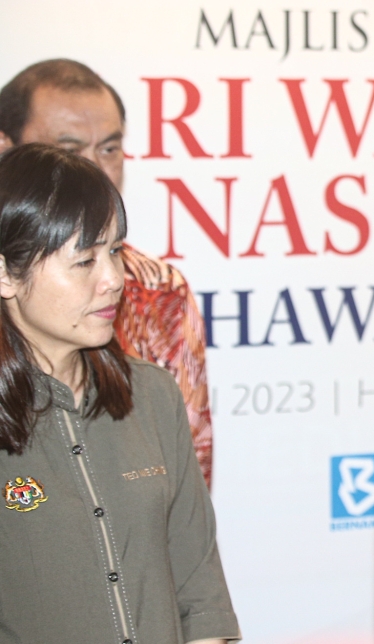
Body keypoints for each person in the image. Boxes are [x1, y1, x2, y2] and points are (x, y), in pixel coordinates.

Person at [0, 143, 238, 643]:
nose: (113, 280)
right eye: (84, 261)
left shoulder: (152, 395)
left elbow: (200, 590)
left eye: (114, 252)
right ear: (6, 273)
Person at [0, 59, 215, 486]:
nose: (95, 169)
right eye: (69, 150)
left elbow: (187, 474)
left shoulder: (159, 291)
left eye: (109, 148)